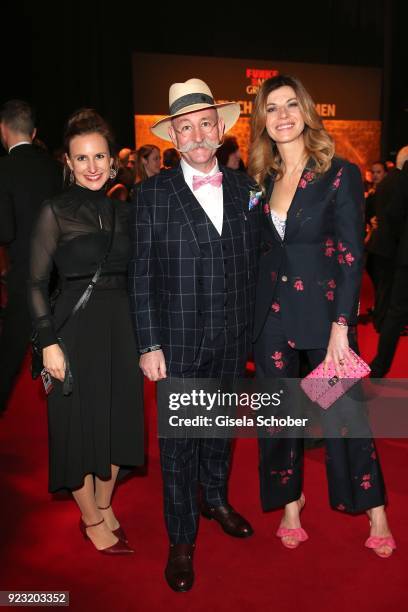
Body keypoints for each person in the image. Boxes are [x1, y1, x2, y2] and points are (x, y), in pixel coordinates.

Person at [249, 74, 395, 558]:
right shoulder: (262, 178)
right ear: (262, 119)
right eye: (272, 108)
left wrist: (341, 328)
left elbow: (353, 256)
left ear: (308, 112)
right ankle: (290, 503)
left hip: (324, 316)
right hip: (270, 316)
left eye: (292, 105)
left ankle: (375, 510)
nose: (283, 115)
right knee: (278, 416)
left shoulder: (339, 173)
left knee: (345, 413)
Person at [129, 78, 261, 591]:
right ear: (175, 138)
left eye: (206, 123)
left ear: (221, 128)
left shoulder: (247, 190)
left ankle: (216, 499)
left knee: (220, 430)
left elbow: (262, 256)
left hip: (232, 340)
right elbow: (140, 274)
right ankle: (181, 540)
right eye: (186, 127)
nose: (198, 135)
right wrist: (148, 343)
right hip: (177, 342)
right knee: (180, 443)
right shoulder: (151, 194)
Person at [28, 109, 143, 554]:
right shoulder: (54, 210)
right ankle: (91, 517)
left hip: (122, 330)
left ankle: (103, 500)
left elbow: (140, 277)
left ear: (113, 161)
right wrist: (47, 342)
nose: (92, 166)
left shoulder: (124, 211)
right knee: (78, 426)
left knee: (116, 423)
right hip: (72, 332)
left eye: (100, 156)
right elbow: (35, 283)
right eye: (82, 158)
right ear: (69, 164)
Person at [0, 99, 62, 413]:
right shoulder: (55, 168)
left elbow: (5, 231)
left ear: (3, 130)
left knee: (8, 359)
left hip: (24, 277)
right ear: (34, 131)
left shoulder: (4, 170)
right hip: (57, 277)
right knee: (63, 355)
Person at [370, 146, 408, 376]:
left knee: (395, 313)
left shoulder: (403, 178)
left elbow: (393, 214)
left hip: (404, 256)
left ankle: (379, 369)